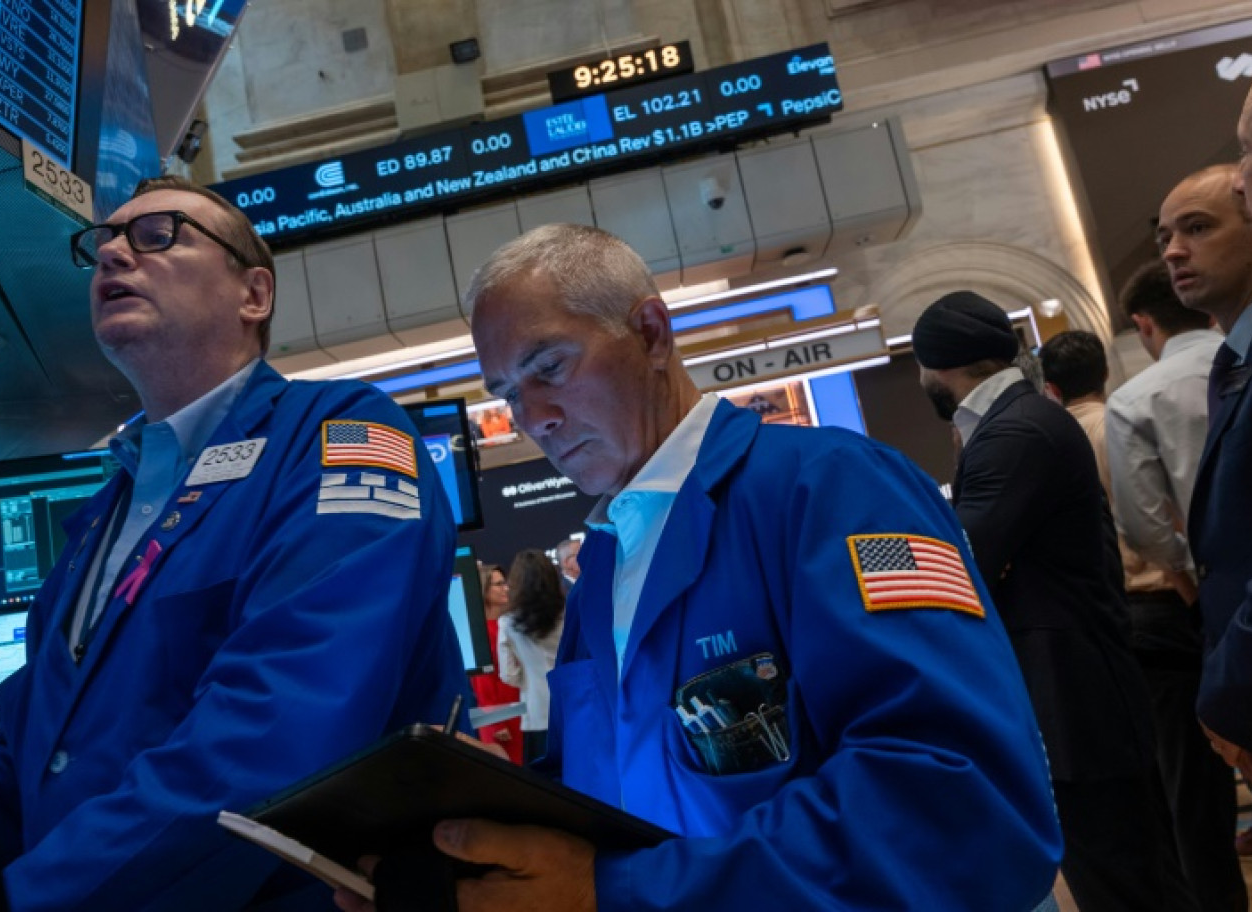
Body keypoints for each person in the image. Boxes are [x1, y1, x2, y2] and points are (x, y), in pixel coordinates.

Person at [340, 224, 1061, 911]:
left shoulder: (833, 489)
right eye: (505, 395)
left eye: (549, 368)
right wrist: (486, 814)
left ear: (652, 333)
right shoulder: (603, 570)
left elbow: (961, 805)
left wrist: (622, 894)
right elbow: (623, 797)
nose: (533, 418)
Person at [0, 176, 471, 911]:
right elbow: (19, 749)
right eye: (103, 241)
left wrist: (25, 898)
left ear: (254, 295)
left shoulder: (340, 437)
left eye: (155, 235)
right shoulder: (105, 514)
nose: (111, 252)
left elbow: (272, 738)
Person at [913, 292, 1196, 912]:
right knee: (1136, 872)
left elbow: (962, 565)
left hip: (1075, 698)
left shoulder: (1013, 432)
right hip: (1083, 687)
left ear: (937, 364)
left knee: (1122, 880)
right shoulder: (1023, 421)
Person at [1044, 322, 1242, 911]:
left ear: (1049, 387)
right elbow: (1152, 524)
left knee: (1158, 787)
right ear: (1103, 372)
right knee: (1197, 784)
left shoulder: (1051, 442)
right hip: (1166, 604)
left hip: (1114, 620)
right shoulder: (1120, 420)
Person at [1178, 149, 1252, 789]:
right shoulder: (1233, 362)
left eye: (1198, 228)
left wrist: (1227, 689)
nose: (1174, 250)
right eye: (1166, 236)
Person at [497, 549, 565, 761]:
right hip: (573, 709)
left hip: (536, 714)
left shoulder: (507, 623)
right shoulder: (571, 613)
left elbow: (509, 675)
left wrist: (528, 681)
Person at [471, 564, 523, 764]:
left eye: (505, 583)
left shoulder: (505, 626)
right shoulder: (481, 632)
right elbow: (482, 681)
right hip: (498, 719)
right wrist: (494, 722)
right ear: (484, 589)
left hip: (516, 712)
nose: (506, 588)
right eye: (499, 584)